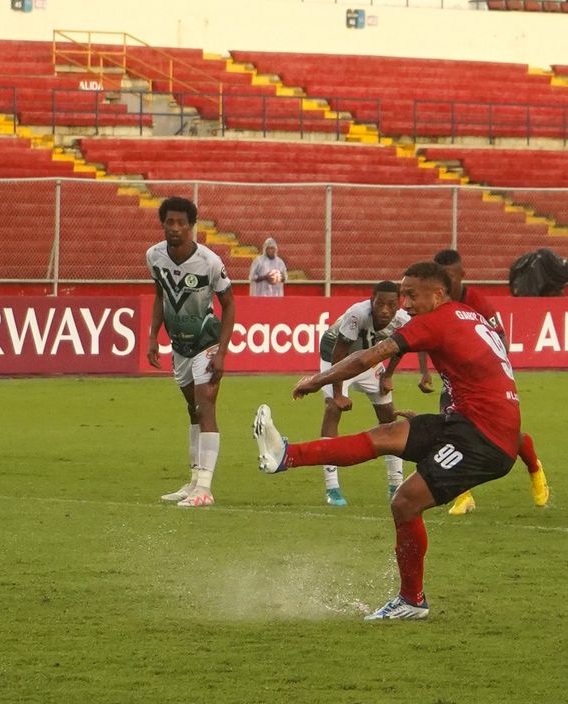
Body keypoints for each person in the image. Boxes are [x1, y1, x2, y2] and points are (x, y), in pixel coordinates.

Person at [253, 261, 521, 620]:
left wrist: (318, 380)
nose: (405, 304)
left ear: (437, 293)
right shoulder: (463, 313)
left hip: (484, 439)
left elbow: (370, 356)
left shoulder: (436, 319)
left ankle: (412, 600)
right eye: (402, 295)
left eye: (412, 295)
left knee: (405, 503)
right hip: (469, 422)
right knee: (387, 434)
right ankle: (284, 455)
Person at [431, 249, 548, 514]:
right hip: (454, 382)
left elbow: (501, 340)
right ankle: (463, 496)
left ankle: (534, 469)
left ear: (462, 275)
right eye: (442, 276)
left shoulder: (477, 302)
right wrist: (428, 372)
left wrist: (493, 376)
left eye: (451, 276)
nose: (446, 282)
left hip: (486, 383)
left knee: (506, 435)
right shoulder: (436, 303)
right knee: (449, 432)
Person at [147, 196, 235, 508]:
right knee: (192, 409)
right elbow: (160, 294)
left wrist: (222, 352)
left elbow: (229, 304)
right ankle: (195, 480)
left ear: (191, 226)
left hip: (207, 342)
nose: (175, 228)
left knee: (205, 405)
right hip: (179, 345)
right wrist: (152, 336)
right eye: (169, 222)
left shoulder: (210, 262)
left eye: (181, 222)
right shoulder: (154, 256)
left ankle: (206, 488)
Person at [317, 281, 429, 506]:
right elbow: (339, 353)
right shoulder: (357, 315)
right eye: (380, 304)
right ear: (371, 300)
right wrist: (338, 393)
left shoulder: (402, 319)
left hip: (367, 360)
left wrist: (388, 375)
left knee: (388, 414)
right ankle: (332, 488)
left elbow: (404, 346)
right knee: (332, 408)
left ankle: (395, 484)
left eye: (391, 304)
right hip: (334, 360)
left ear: (398, 304)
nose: (385, 310)